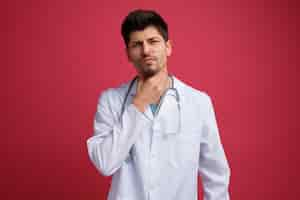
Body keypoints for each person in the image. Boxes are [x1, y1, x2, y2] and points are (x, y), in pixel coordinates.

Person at [87, 9, 230, 200]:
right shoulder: (111, 100)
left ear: (168, 47)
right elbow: (105, 163)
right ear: (128, 54)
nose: (146, 50)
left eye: (153, 41)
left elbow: (216, 174)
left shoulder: (198, 102)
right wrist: (139, 104)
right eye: (137, 44)